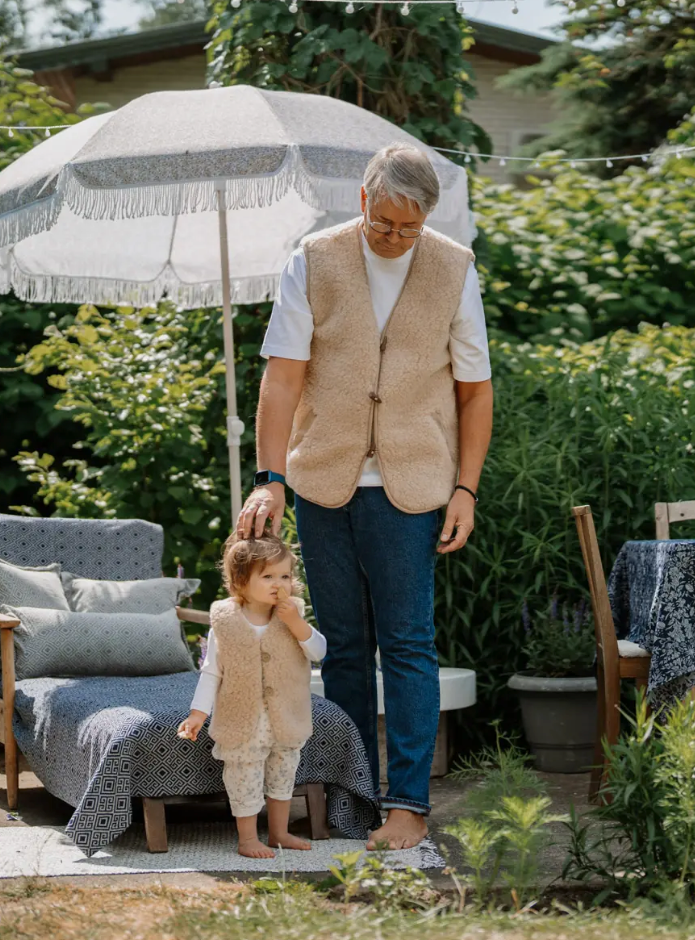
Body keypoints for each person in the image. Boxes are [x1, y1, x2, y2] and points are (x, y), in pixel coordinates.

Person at [236, 142, 494, 850]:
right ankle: (353, 799)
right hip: (322, 480)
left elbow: (475, 393)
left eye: (408, 227)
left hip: (411, 487)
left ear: (427, 219)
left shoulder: (453, 268)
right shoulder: (313, 260)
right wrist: (271, 479)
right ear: (363, 200)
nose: (394, 237)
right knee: (344, 647)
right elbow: (282, 379)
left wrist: (465, 488)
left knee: (408, 644)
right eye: (384, 223)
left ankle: (408, 804)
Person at [178, 534, 328, 859]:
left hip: (285, 718)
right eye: (268, 576)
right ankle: (247, 839)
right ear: (241, 581)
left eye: (285, 576)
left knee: (283, 773)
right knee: (243, 775)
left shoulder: (292, 615)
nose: (279, 584)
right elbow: (211, 672)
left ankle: (279, 832)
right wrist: (197, 714)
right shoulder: (226, 622)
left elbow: (319, 652)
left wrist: (296, 623)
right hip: (243, 718)